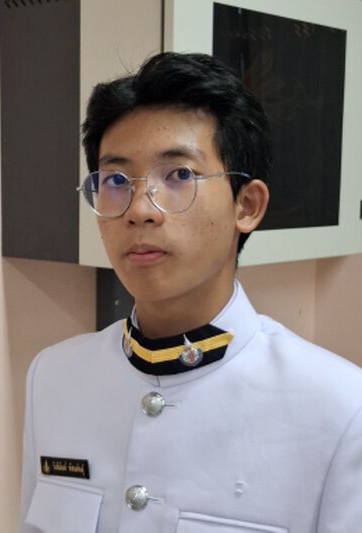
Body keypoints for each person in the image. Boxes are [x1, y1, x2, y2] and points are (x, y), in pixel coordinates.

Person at [19, 52, 362, 533]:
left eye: (179, 175)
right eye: (116, 180)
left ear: (247, 205)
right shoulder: (54, 377)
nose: (139, 209)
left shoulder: (340, 409)